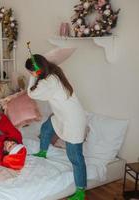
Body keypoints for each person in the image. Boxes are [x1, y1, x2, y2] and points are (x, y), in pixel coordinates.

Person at [24, 49, 87, 200]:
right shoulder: (53, 73)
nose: (30, 74)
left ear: (37, 71)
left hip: (73, 121)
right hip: (63, 116)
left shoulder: (49, 81)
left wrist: (33, 76)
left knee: (75, 156)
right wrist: (36, 73)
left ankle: (81, 190)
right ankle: (43, 152)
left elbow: (32, 93)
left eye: (31, 71)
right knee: (47, 127)